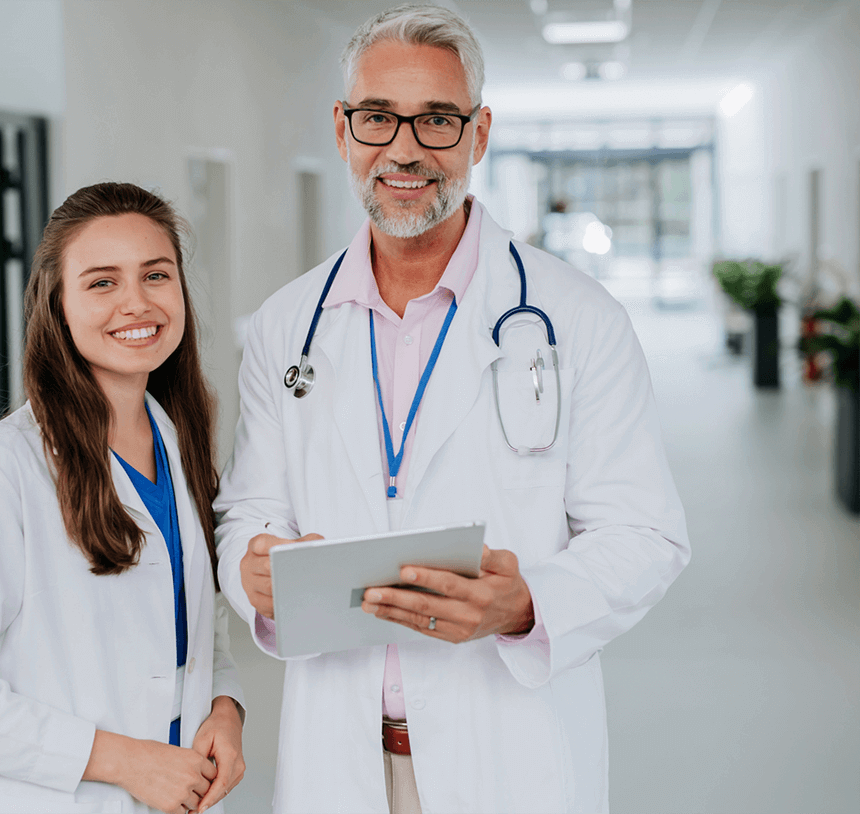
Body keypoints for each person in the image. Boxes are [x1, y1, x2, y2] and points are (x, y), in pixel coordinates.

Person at [214, 5, 690, 813]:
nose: (404, 149)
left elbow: (646, 533)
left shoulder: (577, 319)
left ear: (479, 132)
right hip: (343, 752)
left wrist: (530, 602)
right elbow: (249, 507)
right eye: (377, 118)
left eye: (436, 119)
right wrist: (249, 566)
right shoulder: (285, 326)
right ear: (342, 128)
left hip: (508, 750)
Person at [0, 182, 246, 814]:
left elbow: (188, 616)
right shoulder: (2, 471)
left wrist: (225, 706)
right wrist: (122, 760)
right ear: (58, 304)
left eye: (156, 275)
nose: (136, 302)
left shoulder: (177, 439)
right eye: (102, 282)